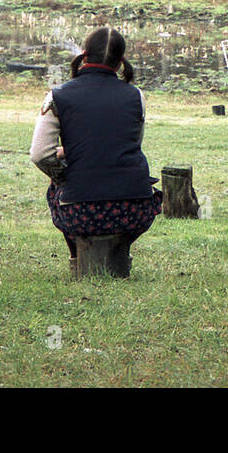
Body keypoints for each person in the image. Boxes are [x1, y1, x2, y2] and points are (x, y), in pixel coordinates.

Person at [29, 27, 161, 277]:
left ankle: (77, 259)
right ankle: (119, 255)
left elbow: (40, 154)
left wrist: (62, 174)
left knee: (57, 189)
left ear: (84, 55)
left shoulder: (57, 96)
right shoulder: (136, 95)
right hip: (134, 211)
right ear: (121, 62)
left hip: (80, 213)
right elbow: (129, 144)